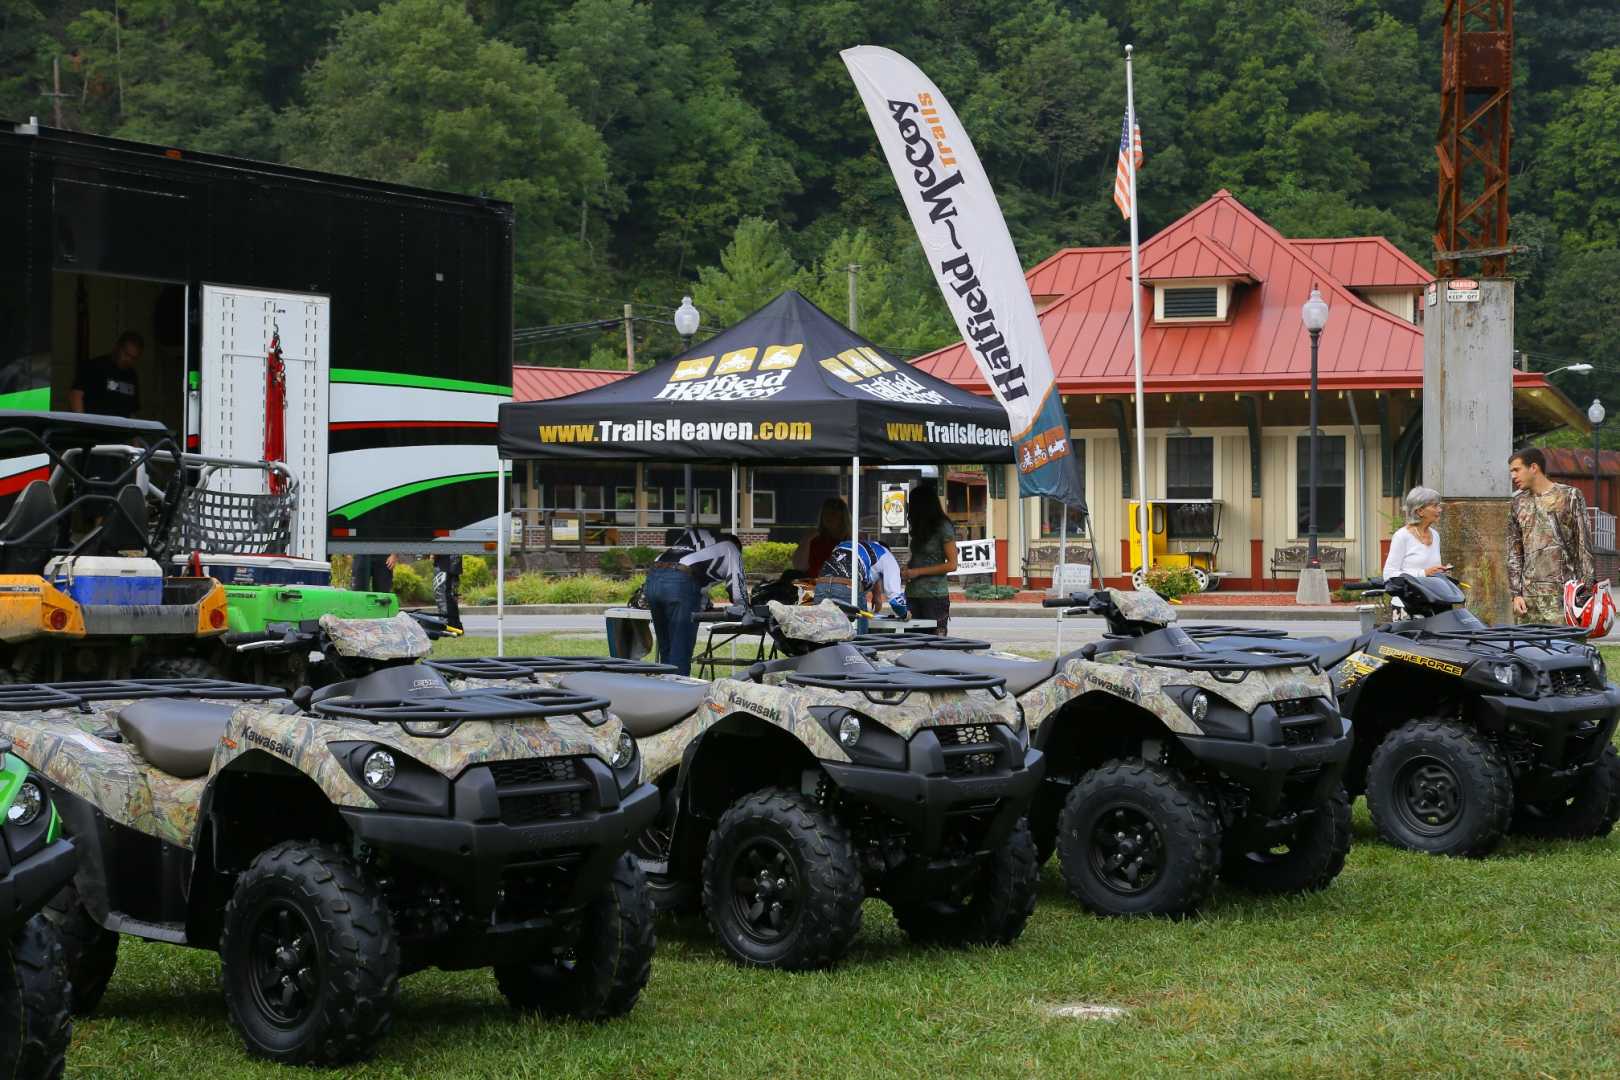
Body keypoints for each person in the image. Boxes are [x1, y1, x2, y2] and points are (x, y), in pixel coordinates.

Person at [1508, 447, 1596, 624]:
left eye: (1516, 470)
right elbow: (1514, 552)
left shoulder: (1569, 496)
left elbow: (1584, 545)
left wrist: (1585, 591)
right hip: (1529, 599)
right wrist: (1515, 594)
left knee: (1568, 648)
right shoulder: (1517, 502)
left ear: (1534, 467)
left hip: (1564, 594)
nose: (1513, 476)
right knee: (1529, 650)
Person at [644, 527, 746, 676]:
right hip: (679, 581)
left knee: (666, 648)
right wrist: (744, 607)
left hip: (653, 576)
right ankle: (678, 695)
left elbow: (696, 584)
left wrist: (703, 604)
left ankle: (664, 691)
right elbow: (737, 586)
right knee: (680, 648)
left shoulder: (698, 538)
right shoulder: (732, 548)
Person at [902, 480, 956, 636]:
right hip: (913, 593)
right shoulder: (919, 527)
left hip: (935, 595)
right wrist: (907, 569)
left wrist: (918, 572)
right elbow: (920, 557)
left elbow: (952, 565)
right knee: (912, 641)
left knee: (934, 645)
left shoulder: (943, 526)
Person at [1383, 486, 1452, 580]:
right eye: (1435, 506)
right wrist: (1423, 573)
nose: (1440, 510)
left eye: (1439, 506)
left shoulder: (1435, 535)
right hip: (1409, 594)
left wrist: (1440, 571)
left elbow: (1431, 572)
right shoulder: (1402, 536)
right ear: (1420, 511)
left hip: (1431, 594)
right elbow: (1388, 574)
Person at [69, 330, 143, 417]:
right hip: (94, 426)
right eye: (126, 354)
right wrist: (81, 423)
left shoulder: (132, 376)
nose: (128, 360)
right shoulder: (95, 366)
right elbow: (76, 396)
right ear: (117, 347)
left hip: (121, 428)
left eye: (133, 358)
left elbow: (132, 410)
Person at [792, 498, 850, 575]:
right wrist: (806, 541)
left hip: (839, 584)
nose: (829, 517)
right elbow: (799, 567)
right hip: (812, 583)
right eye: (826, 513)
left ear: (843, 518)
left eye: (834, 514)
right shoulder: (814, 539)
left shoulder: (850, 542)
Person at [433, 552, 463, 632]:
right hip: (453, 561)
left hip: (444, 563)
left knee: (443, 596)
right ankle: (455, 626)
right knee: (451, 596)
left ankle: (446, 626)